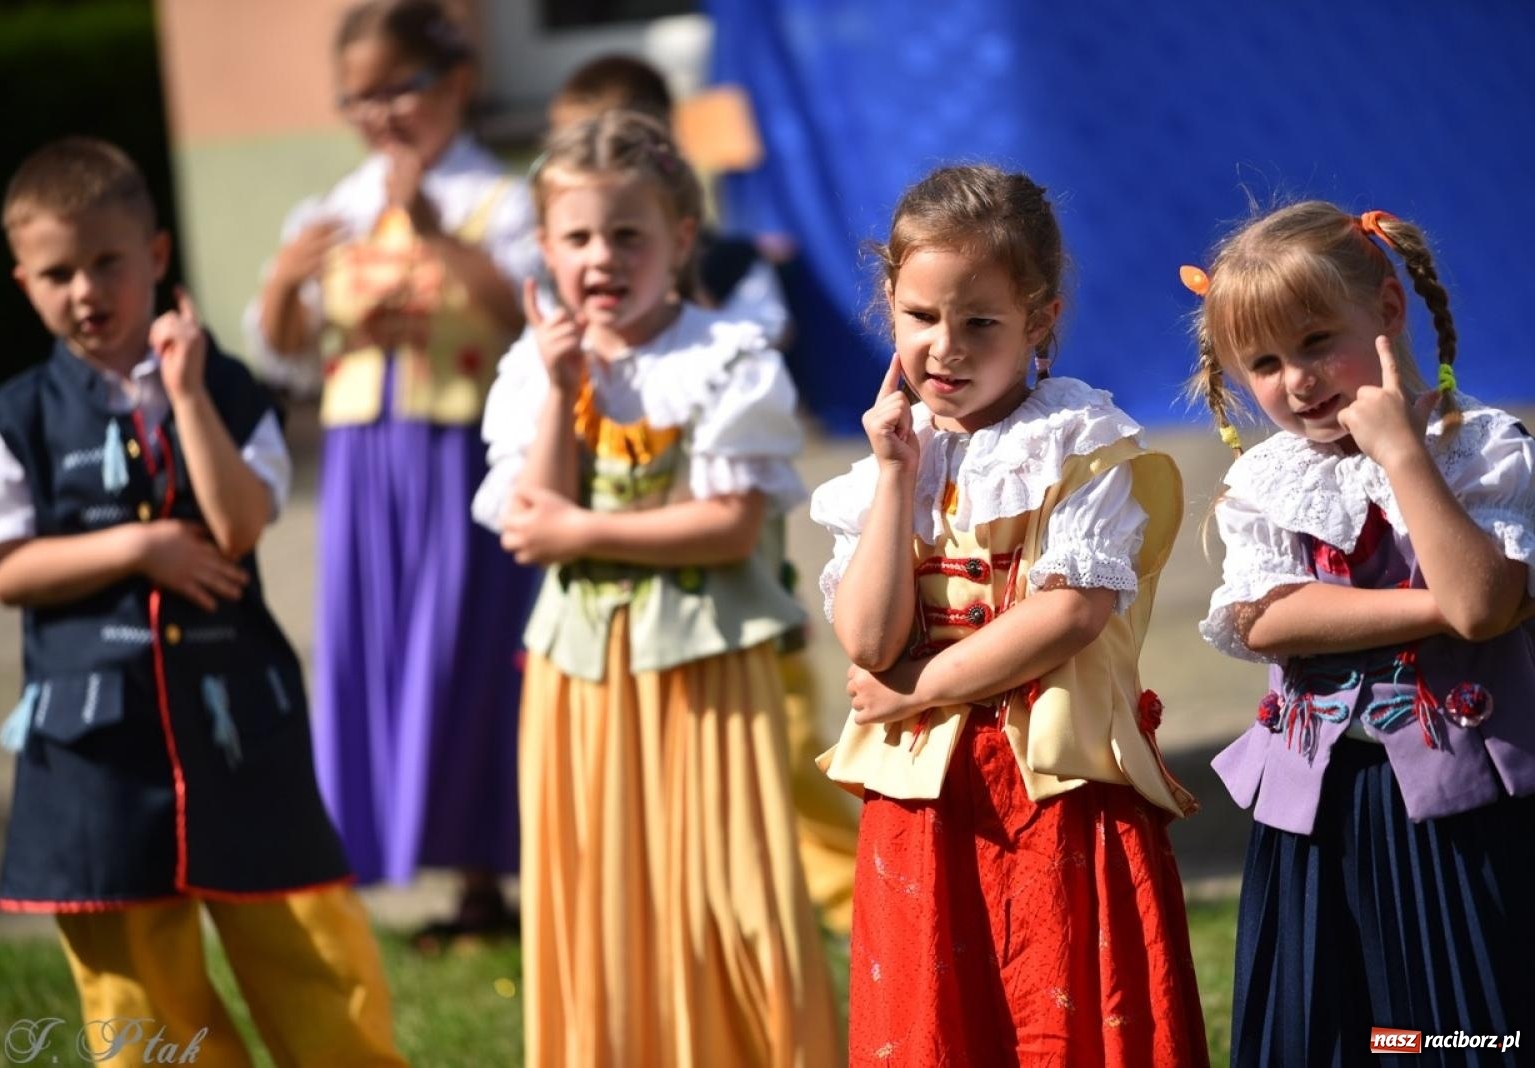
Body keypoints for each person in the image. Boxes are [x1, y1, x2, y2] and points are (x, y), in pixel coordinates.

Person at [0, 137, 403, 1067]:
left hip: (240, 727)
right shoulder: (8, 418)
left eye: (107, 261)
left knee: (312, 949)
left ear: (156, 256)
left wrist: (189, 396)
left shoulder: (229, 390)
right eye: (57, 272)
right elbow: (5, 571)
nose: (85, 290)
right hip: (96, 753)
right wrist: (139, 547)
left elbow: (238, 526)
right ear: (24, 281)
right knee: (137, 994)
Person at [812, 164, 1208, 1066]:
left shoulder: (1083, 448)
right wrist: (893, 477)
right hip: (926, 805)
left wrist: (914, 691)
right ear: (889, 306)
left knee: (1058, 1009)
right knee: (940, 1021)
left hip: (1055, 789)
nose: (945, 348)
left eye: (979, 322)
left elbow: (1068, 613)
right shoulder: (888, 468)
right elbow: (868, 639)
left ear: (1041, 321)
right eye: (920, 318)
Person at [471, 110, 840, 1066]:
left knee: (731, 882)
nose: (601, 257)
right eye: (579, 237)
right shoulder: (533, 368)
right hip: (582, 677)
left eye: (627, 234)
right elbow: (527, 517)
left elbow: (727, 528)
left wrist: (586, 530)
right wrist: (559, 389)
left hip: (705, 670)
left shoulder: (724, 357)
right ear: (546, 249)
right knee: (602, 887)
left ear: (680, 240)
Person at [1185, 201, 1535, 1064]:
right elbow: (1271, 621)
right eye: (1263, 362)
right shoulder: (1265, 481)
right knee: (1338, 1025)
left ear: (1386, 310)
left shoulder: (1480, 449)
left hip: (1463, 810)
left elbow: (1485, 605)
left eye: (1314, 341)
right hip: (1322, 812)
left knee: (1462, 1022)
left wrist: (1403, 457)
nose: (1297, 381)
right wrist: (1435, 607)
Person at [242, 0, 539, 946]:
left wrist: (436, 234)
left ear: (454, 83)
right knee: (381, 652)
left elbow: (531, 320)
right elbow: (284, 356)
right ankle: (411, 869)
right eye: (356, 98)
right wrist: (287, 282)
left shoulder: (503, 202)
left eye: (396, 90)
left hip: (464, 456)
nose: (377, 115)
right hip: (367, 466)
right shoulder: (329, 211)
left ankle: (494, 872)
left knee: (468, 654)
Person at [546, 51, 858, 936]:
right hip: (628, 586)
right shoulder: (578, 312)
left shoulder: (724, 268)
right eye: (572, 147)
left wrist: (685, 302)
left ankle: (841, 887)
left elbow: (769, 334)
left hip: (738, 573)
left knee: (780, 733)